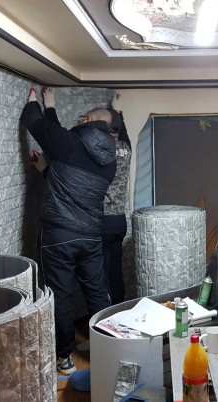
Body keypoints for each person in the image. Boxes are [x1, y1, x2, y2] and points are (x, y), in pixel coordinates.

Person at [22, 87, 116, 375]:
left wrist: (33, 100)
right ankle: (109, 350)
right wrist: (50, 106)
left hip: (60, 236)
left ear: (86, 119)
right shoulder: (110, 160)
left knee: (60, 296)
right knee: (97, 293)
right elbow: (70, 178)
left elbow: (35, 122)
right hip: (90, 236)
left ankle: (63, 358)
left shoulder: (68, 144)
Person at [101, 104, 132, 305]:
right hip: (119, 221)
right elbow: (125, 137)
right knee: (115, 269)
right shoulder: (125, 149)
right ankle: (120, 306)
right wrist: (120, 113)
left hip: (102, 221)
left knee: (101, 273)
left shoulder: (101, 151)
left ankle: (105, 311)